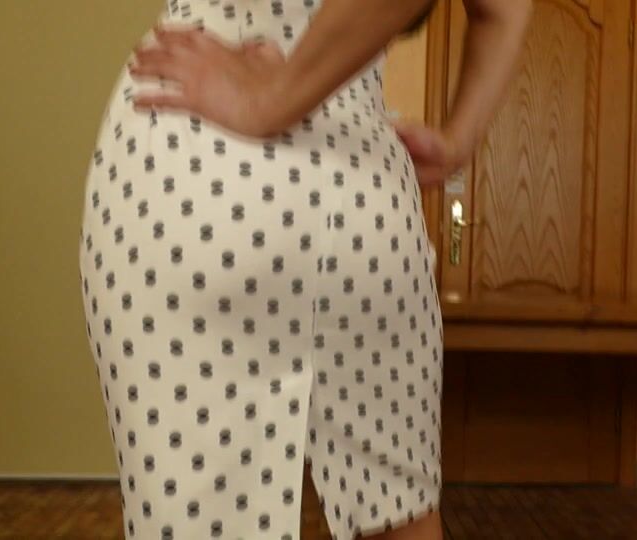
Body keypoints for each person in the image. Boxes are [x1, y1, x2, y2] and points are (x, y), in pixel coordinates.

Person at [76, 0, 530, 538]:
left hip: (196, 153)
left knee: (196, 516)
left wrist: (271, 100)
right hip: (363, 180)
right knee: (399, 513)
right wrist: (458, 140)